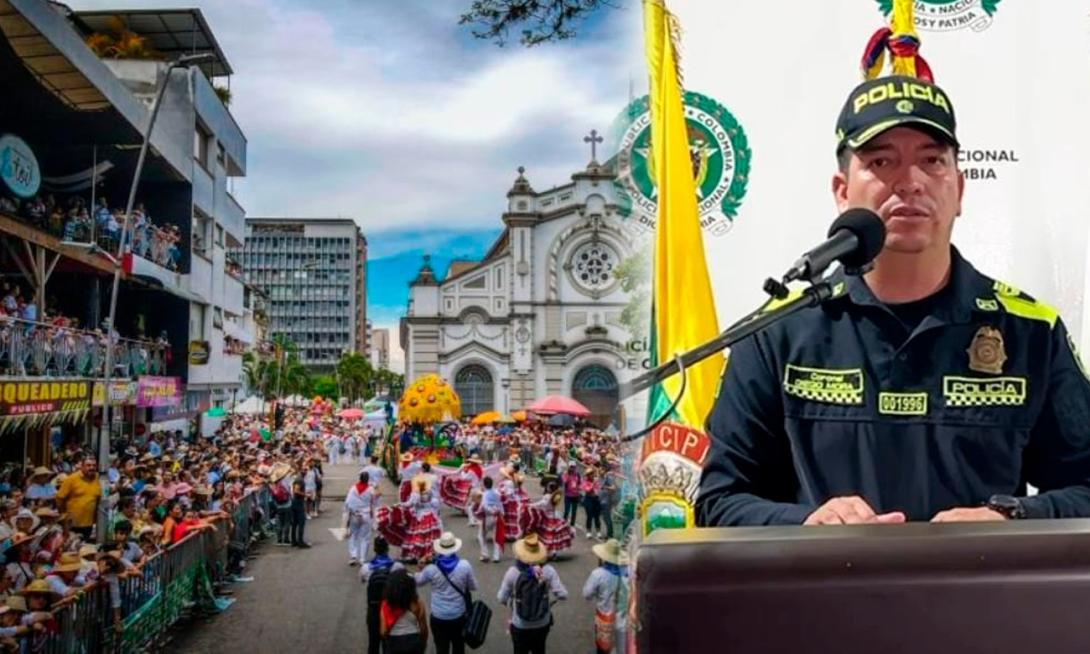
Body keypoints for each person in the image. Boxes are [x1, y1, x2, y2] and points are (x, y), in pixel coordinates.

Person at [697, 74, 1090, 527]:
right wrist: (808, 525)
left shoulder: (1030, 331)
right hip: (823, 595)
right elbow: (719, 502)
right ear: (842, 191)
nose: (911, 182)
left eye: (932, 161)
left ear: (959, 189)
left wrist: (1010, 515)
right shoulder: (777, 332)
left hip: (976, 595)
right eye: (882, 161)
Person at [497, 534, 568, 654]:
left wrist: (512, 600)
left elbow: (501, 598)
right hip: (542, 622)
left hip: (519, 623)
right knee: (539, 649)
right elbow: (563, 594)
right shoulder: (548, 571)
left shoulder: (513, 572)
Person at [414, 532, 478, 654]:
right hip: (458, 615)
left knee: (441, 648)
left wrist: (421, 566)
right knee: (458, 647)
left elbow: (418, 581)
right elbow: (473, 587)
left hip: (439, 616)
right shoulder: (464, 565)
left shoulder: (431, 569)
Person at [582, 539, 629, 654]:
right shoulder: (627, 572)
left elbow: (587, 594)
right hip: (623, 618)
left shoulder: (598, 574)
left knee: (603, 648)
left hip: (605, 617)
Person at [361, 537, 404, 654]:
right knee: (389, 641)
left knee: (373, 642)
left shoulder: (366, 568)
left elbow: (362, 580)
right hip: (390, 608)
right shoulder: (396, 566)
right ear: (387, 549)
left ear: (375, 549)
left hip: (374, 608)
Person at [379, 568, 428, 654]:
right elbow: (423, 629)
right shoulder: (417, 603)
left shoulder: (386, 604)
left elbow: (383, 631)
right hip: (413, 643)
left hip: (394, 643)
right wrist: (422, 644)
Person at [55, 457, 101, 541]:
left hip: (88, 524)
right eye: (88, 465)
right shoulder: (71, 479)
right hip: (72, 524)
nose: (91, 468)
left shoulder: (98, 478)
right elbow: (59, 498)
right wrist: (64, 515)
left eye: (94, 465)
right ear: (82, 466)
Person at [345, 471, 379, 566]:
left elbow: (347, 503)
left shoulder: (353, 488)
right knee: (365, 537)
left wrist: (347, 516)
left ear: (359, 478)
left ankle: (353, 556)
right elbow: (375, 501)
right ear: (367, 479)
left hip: (355, 515)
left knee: (353, 536)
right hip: (366, 515)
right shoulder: (371, 489)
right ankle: (362, 559)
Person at [474, 476, 504, 563]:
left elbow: (484, 506)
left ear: (484, 484)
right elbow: (500, 504)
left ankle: (485, 555)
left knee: (481, 536)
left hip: (488, 517)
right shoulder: (497, 493)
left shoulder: (485, 494)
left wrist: (477, 513)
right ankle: (496, 556)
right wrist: (501, 514)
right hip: (498, 516)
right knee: (496, 537)